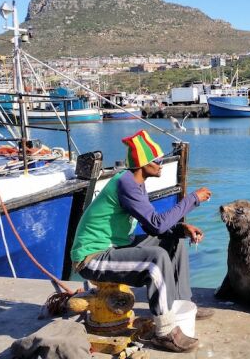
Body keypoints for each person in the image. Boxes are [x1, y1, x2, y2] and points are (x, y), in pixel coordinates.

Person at [70, 129, 212, 353]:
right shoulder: (125, 183)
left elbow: (150, 225)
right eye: (157, 160)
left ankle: (182, 305)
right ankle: (164, 332)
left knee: (174, 241)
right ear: (144, 164)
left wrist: (180, 228)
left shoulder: (136, 183)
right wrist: (193, 199)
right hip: (92, 257)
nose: (162, 163)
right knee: (156, 259)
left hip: (114, 247)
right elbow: (156, 224)